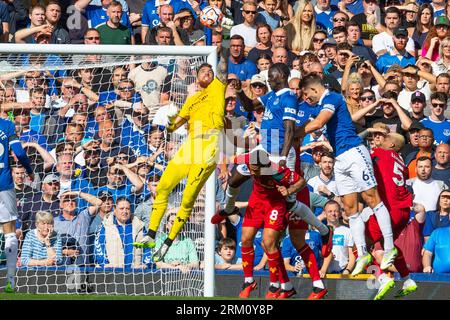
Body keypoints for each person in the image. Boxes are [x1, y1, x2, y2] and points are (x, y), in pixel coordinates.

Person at [296, 73, 398, 275]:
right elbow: (307, 116)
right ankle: (361, 254)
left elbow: (317, 124)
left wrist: (294, 136)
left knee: (372, 199)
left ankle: (389, 248)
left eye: (308, 95)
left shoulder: (332, 98)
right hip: (340, 159)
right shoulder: (320, 103)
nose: (308, 99)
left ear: (316, 89)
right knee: (350, 208)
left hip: (354, 152)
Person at [134, 63, 226, 263]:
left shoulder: (218, 89)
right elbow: (174, 126)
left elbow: (222, 69)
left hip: (208, 147)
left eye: (211, 71)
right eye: (204, 71)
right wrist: (170, 122)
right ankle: (151, 234)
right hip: (189, 147)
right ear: (196, 76)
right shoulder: (192, 101)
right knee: (164, 186)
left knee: (188, 198)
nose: (208, 73)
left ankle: (169, 240)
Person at [367, 133, 418, 299]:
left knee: (363, 242)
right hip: (404, 211)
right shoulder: (402, 163)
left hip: (390, 210)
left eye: (385, 138)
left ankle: (382, 278)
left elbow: (359, 158)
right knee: (388, 246)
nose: (381, 140)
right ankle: (407, 279)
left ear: (392, 145)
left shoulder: (381, 153)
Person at [0, 117, 34, 293]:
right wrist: (29, 170)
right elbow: (19, 153)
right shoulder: (6, 125)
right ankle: (10, 281)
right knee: (10, 233)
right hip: (4, 185)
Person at [94, 197, 150, 269]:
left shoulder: (140, 226)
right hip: (112, 272)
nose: (125, 211)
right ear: (115, 209)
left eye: (127, 208)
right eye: (121, 208)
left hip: (136, 273)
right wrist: (104, 264)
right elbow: (98, 245)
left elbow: (148, 247)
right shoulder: (105, 225)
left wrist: (146, 264)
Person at [319, 200, 355, 275]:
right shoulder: (319, 232)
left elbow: (352, 255)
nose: (333, 213)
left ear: (339, 213)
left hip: (342, 272)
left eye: (335, 211)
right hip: (323, 273)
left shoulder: (348, 231)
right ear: (325, 214)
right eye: (330, 211)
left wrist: (347, 270)